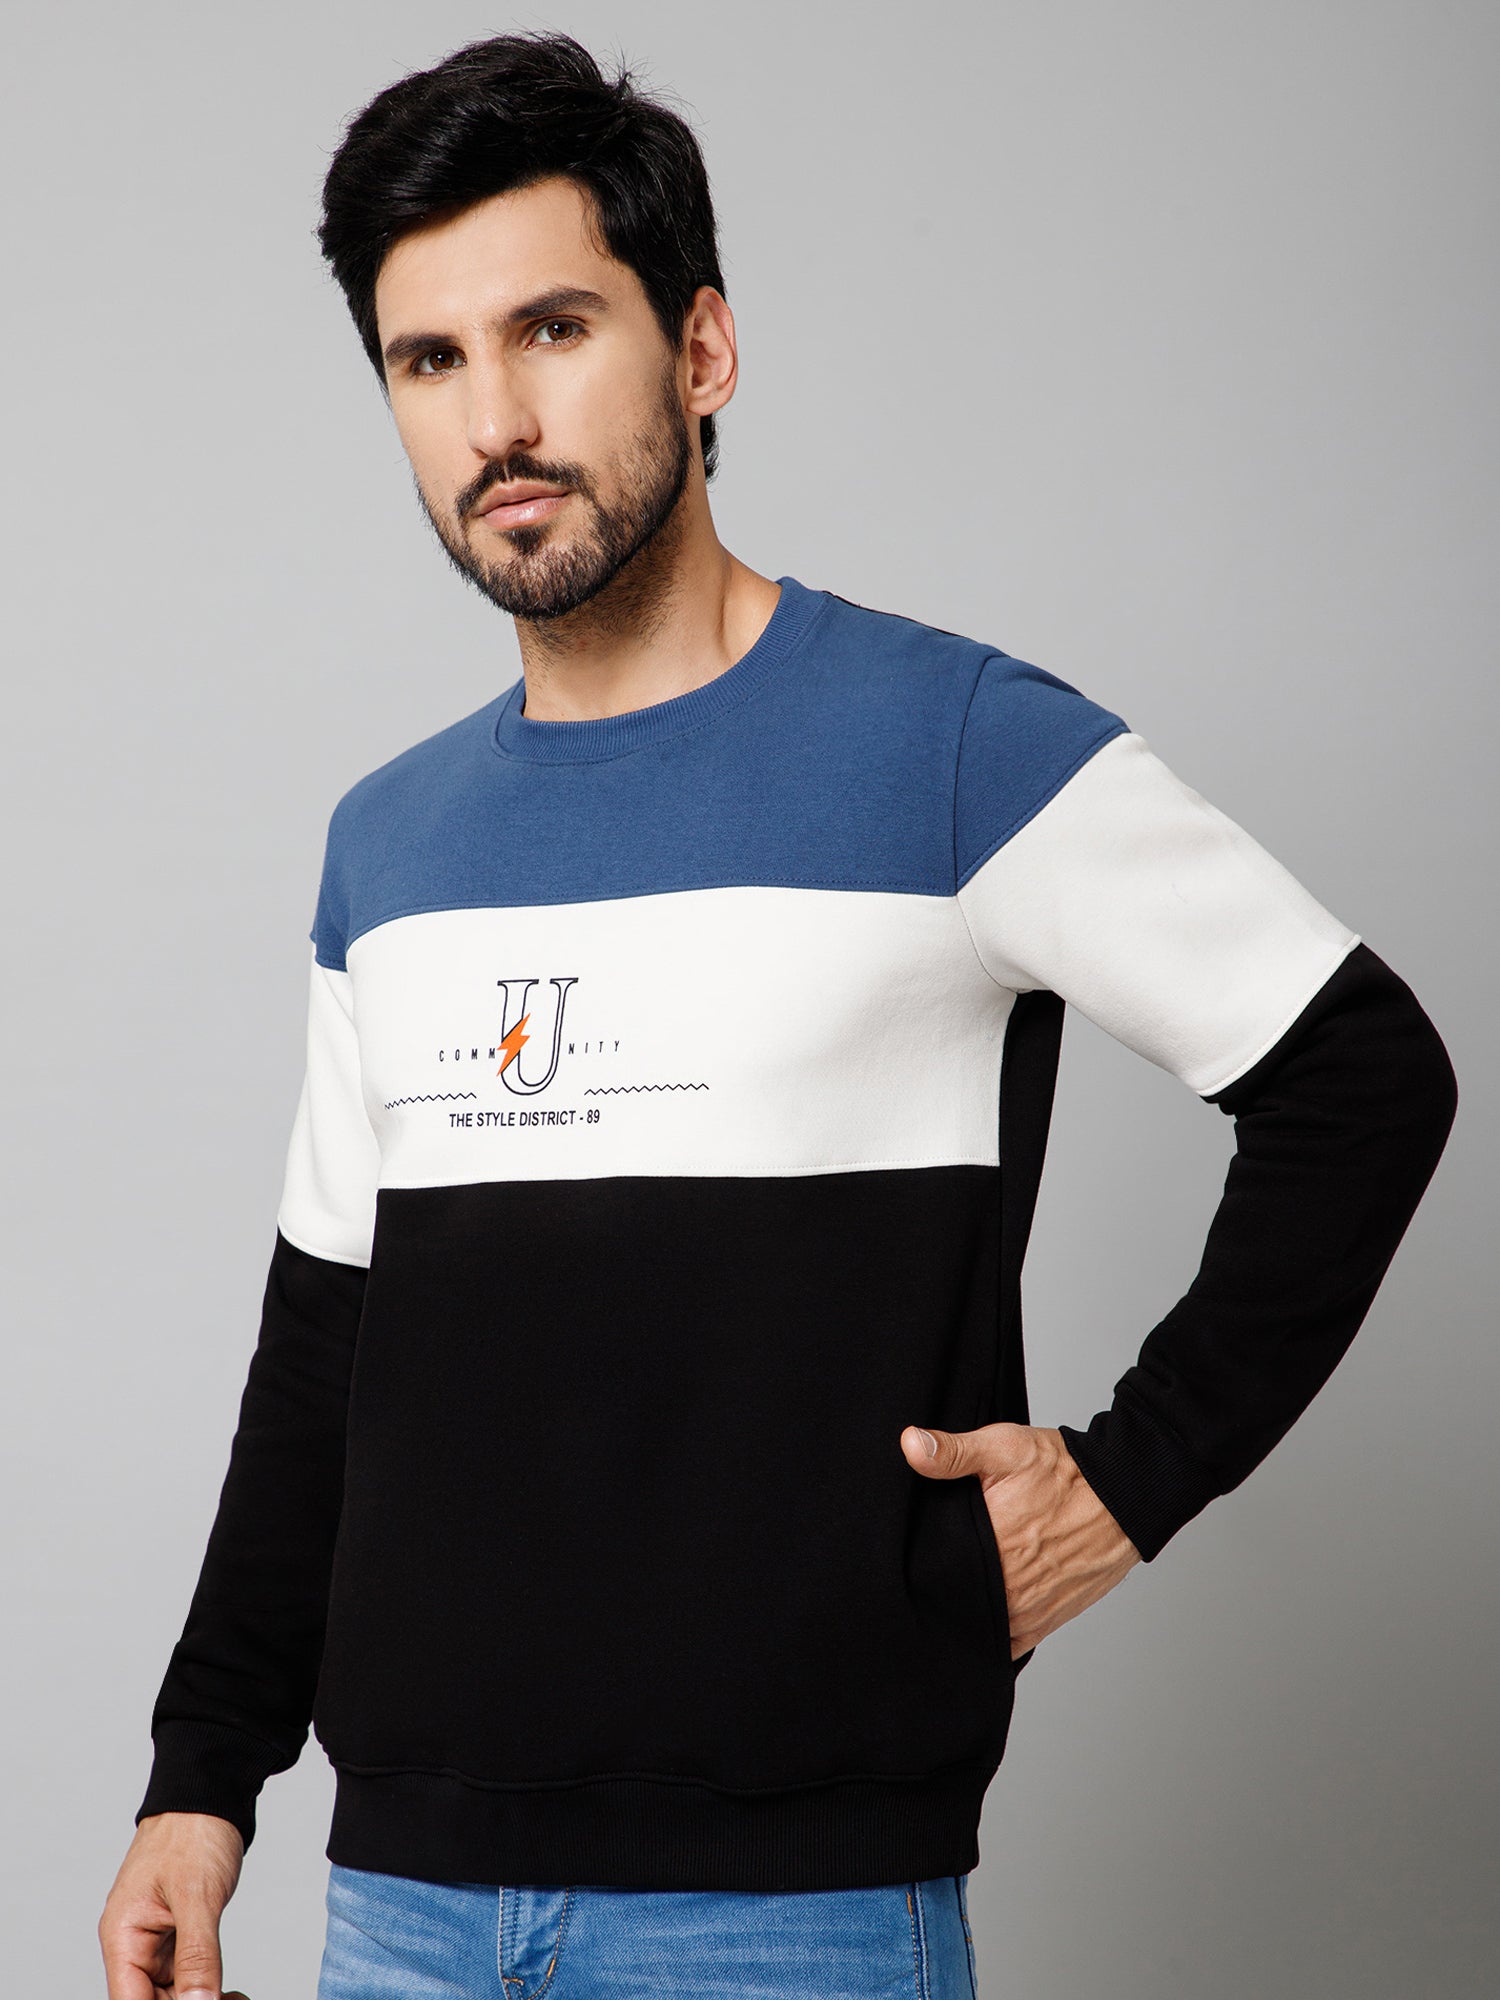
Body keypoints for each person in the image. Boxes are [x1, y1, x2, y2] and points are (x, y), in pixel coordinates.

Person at [98, 30, 1458, 2000]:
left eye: (553, 328)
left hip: (793, 1924)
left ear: (704, 349)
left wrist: (1131, 1479)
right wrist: (200, 1776)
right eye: (430, 360)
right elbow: (325, 1347)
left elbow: (1364, 1077)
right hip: (402, 1909)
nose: (497, 420)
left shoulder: (954, 748)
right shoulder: (386, 845)